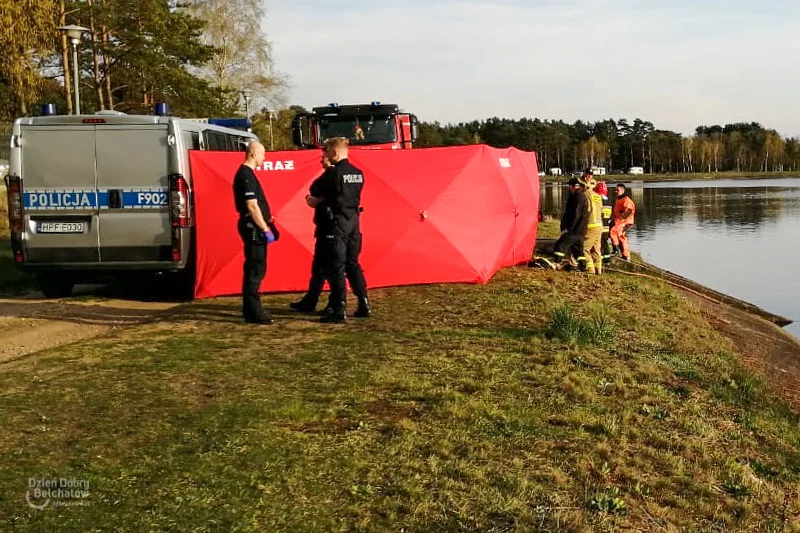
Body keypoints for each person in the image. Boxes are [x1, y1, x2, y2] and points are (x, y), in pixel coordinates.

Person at [308, 137, 370, 323]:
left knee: (336, 266)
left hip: (337, 225)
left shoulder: (333, 173)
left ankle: (339, 307)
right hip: (354, 223)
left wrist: (320, 199)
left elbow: (315, 189)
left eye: (326, 151)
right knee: (353, 264)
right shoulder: (358, 173)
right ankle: (364, 302)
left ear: (334, 153)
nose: (324, 155)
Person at [233, 141, 278, 324]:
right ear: (253, 154)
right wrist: (264, 228)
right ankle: (254, 311)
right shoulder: (246, 175)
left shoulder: (248, 175)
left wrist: (268, 218)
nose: (264, 158)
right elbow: (251, 205)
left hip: (255, 225)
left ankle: (249, 309)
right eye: (263, 154)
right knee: (255, 269)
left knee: (256, 267)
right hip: (253, 228)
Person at [289, 154, 336, 313]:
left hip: (330, 228)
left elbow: (315, 192)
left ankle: (333, 303)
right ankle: (311, 300)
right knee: (319, 268)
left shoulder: (329, 178)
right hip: (325, 227)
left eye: (324, 157)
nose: (320, 160)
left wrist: (313, 199)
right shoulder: (331, 178)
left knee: (330, 268)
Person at [552, 176, 590, 270]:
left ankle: (556, 262)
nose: (569, 188)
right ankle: (582, 266)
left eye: (569, 186)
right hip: (581, 230)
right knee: (578, 250)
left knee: (560, 245)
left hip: (575, 229)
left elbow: (575, 215)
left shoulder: (578, 197)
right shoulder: (578, 196)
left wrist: (569, 228)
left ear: (573, 186)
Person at [582, 173, 604, 275]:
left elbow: (587, 210)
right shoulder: (598, 196)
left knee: (584, 248)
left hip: (591, 226)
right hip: (599, 225)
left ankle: (590, 269)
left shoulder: (586, 195)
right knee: (596, 249)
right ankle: (598, 270)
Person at [610, 183, 636, 261]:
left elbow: (629, 211)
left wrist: (621, 221)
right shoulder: (619, 199)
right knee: (619, 236)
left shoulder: (626, 200)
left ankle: (617, 250)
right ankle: (624, 254)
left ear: (623, 190)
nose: (616, 191)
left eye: (618, 190)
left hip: (625, 222)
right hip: (619, 221)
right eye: (615, 190)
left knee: (615, 233)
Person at [595, 181, 614, 264]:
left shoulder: (598, 200)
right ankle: (607, 260)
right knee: (605, 243)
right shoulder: (609, 201)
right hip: (607, 226)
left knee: (599, 244)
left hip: (599, 226)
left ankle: (601, 260)